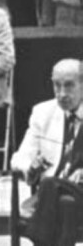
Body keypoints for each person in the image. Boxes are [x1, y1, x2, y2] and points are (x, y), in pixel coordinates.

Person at [11, 59, 83, 246]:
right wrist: (30, 166)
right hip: (58, 199)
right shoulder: (43, 112)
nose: (62, 94)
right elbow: (18, 158)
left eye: (69, 86)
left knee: (49, 183)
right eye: (56, 86)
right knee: (66, 204)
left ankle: (37, 237)